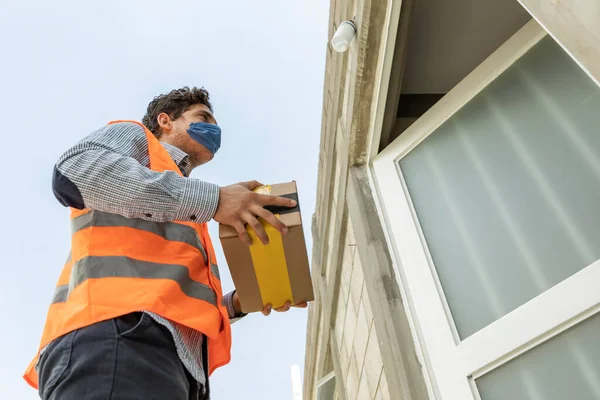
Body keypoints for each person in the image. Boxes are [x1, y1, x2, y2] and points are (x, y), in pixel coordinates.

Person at [23, 86, 307, 400]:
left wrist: (237, 304)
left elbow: (171, 302)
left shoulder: (184, 205)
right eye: (203, 117)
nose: (214, 128)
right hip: (116, 336)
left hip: (164, 359)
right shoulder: (138, 140)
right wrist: (214, 199)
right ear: (165, 121)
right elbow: (75, 171)